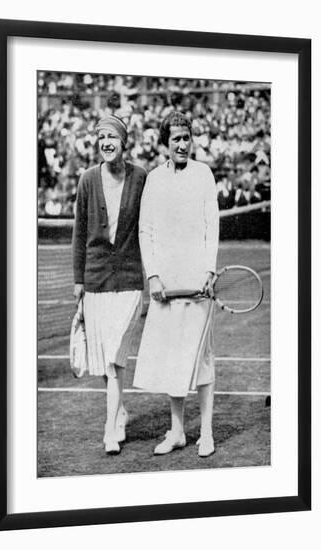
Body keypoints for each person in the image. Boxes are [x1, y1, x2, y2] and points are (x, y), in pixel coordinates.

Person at [133, 111, 219, 458]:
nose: (182, 145)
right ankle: (178, 431)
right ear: (166, 144)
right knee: (173, 359)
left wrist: (209, 270)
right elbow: (145, 230)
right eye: (176, 140)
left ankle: (207, 434)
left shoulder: (204, 174)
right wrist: (152, 274)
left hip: (198, 281)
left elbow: (211, 225)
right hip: (166, 284)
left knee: (202, 358)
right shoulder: (154, 180)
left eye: (186, 138)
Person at [72, 114, 146, 454]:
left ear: (123, 141)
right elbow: (79, 234)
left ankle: (109, 431)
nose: (106, 142)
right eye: (101, 136)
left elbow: (151, 227)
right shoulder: (87, 180)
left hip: (130, 280)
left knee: (115, 355)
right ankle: (119, 412)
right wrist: (77, 279)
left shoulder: (141, 177)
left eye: (112, 136)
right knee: (108, 362)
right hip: (96, 280)